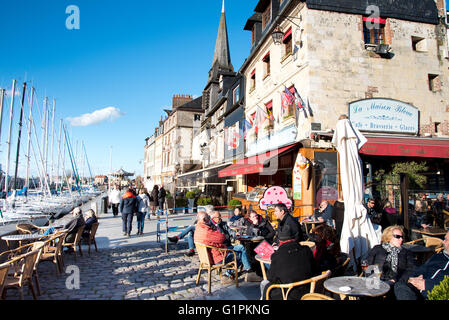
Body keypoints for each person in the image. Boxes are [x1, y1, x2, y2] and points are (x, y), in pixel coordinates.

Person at [260, 225, 319, 300]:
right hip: (308, 290)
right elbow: (315, 269)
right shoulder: (306, 250)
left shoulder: (278, 255)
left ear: (280, 241)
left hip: (288, 294)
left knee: (264, 283)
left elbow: (271, 278)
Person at [194, 211, 252, 279]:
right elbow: (222, 238)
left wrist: (233, 234)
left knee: (241, 248)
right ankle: (245, 271)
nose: (220, 218)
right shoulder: (207, 229)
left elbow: (229, 231)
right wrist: (221, 235)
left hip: (216, 252)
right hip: (218, 256)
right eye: (219, 217)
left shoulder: (198, 229)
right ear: (205, 219)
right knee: (241, 254)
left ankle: (241, 270)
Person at [394, 231, 449, 300]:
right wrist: (412, 278)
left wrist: (427, 285)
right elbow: (421, 269)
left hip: (436, 294)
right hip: (417, 290)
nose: (443, 242)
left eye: (446, 239)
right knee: (399, 284)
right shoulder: (438, 256)